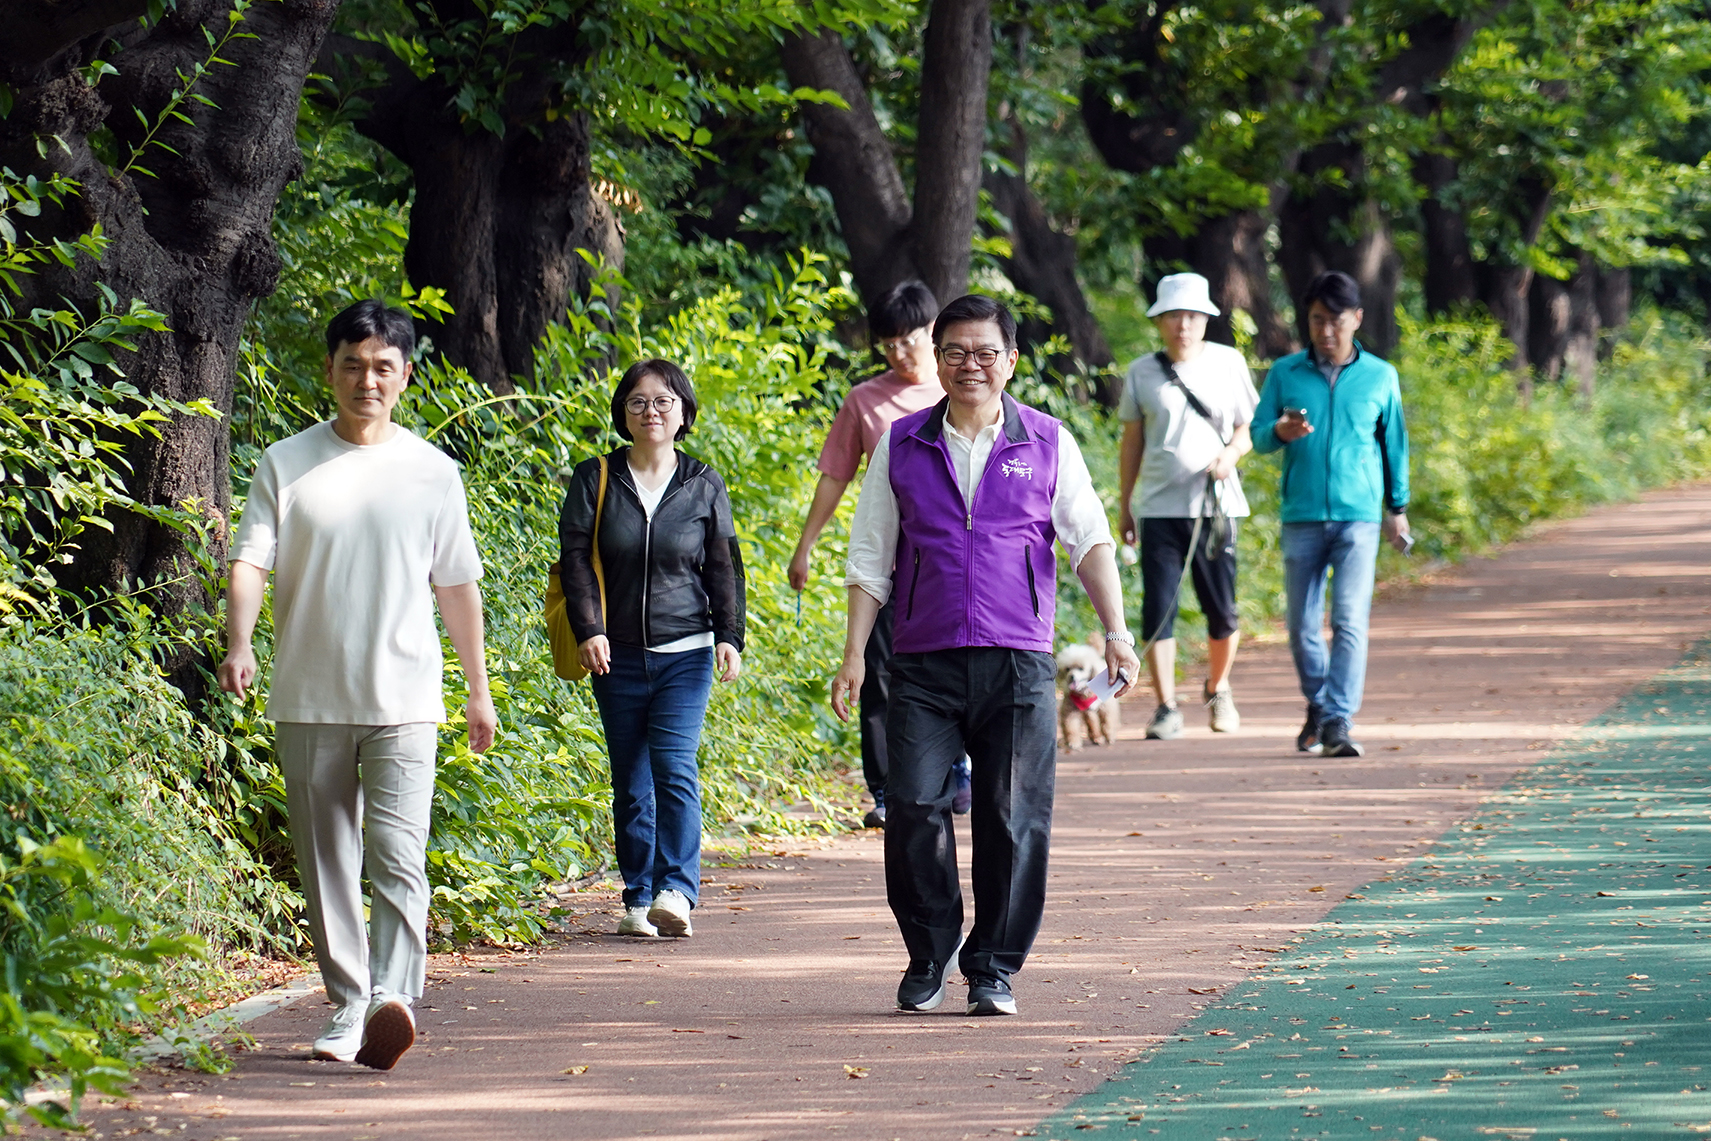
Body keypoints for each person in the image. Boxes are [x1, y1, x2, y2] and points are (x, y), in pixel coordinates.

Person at [831, 294, 1140, 1017]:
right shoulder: (903, 443)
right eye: (954, 352)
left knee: (1012, 814)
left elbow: (1089, 540)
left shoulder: (1046, 440)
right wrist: (852, 654)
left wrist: (1116, 630)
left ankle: (994, 965)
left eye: (984, 353)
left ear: (1010, 361)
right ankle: (928, 951)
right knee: (910, 804)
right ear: (935, 359)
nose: (969, 365)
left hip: (1017, 660)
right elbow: (870, 556)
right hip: (922, 659)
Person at [218, 299, 497, 1071]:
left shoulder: (433, 472)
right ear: (330, 369)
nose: (366, 379)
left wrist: (478, 688)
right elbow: (250, 560)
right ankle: (347, 1004)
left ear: (405, 375)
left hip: (404, 697)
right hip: (308, 695)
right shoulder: (287, 461)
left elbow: (458, 587)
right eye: (352, 363)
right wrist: (239, 641)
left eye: (382, 366)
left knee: (398, 852)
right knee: (328, 861)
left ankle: (392, 999)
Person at [558, 359, 745, 940]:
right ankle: (637, 895)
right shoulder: (596, 478)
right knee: (630, 776)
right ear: (623, 413)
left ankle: (677, 890)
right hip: (615, 654)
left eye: (664, 401)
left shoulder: (703, 483)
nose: (651, 412)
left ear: (684, 411)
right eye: (638, 402)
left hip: (686, 650)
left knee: (673, 763)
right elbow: (574, 561)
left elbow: (723, 566)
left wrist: (729, 636)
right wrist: (590, 629)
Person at [789, 280, 971, 828]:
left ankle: (957, 764)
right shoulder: (865, 401)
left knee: (958, 668)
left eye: (909, 339)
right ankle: (887, 789)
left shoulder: (960, 391)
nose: (899, 353)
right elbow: (835, 477)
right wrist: (805, 547)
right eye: (888, 344)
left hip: (951, 565)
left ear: (932, 335)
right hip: (891, 568)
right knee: (880, 674)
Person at [1252, 270, 1410, 758]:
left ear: (1356, 319)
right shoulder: (1286, 373)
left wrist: (1397, 508)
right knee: (1300, 625)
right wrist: (1280, 431)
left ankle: (1338, 717)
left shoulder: (1381, 376)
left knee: (1348, 618)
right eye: (1317, 320)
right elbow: (1257, 438)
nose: (1325, 331)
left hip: (1358, 516)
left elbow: (1394, 446)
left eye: (1335, 321)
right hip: (1301, 514)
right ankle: (1319, 706)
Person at [1117, 273, 1258, 740]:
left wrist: (1230, 456)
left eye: (1193, 316)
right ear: (1159, 320)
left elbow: (1247, 427)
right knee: (1159, 608)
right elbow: (1132, 441)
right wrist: (1126, 504)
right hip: (1159, 506)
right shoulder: (1141, 371)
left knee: (1223, 609)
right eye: (1174, 315)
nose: (1183, 325)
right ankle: (1165, 706)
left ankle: (1219, 688)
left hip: (1218, 507)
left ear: (1206, 320)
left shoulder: (1228, 362)